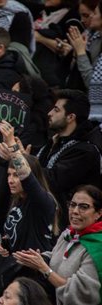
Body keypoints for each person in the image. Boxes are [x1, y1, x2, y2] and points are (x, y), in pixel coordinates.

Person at [0, 121, 59, 300]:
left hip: (34, 282)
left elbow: (26, 176)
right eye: (9, 175)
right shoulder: (18, 200)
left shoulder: (42, 202)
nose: (11, 180)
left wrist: (12, 144)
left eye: (15, 175)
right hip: (14, 277)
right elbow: (15, 231)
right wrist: (5, 243)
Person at [35, 90, 102, 228]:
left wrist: (20, 158)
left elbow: (52, 180)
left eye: (56, 110)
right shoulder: (55, 142)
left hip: (70, 228)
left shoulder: (85, 151)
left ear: (70, 117)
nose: (49, 113)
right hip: (45, 220)